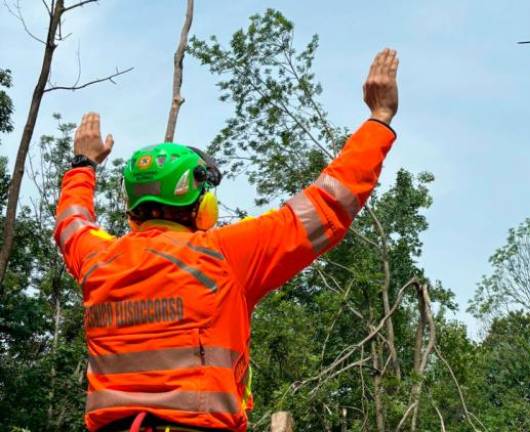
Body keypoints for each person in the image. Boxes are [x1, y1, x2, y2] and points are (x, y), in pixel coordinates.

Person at [54, 48, 400, 432]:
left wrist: (83, 165)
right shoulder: (224, 256)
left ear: (133, 207)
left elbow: (72, 223)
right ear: (201, 205)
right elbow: (329, 203)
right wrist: (379, 119)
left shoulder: (97, 260)